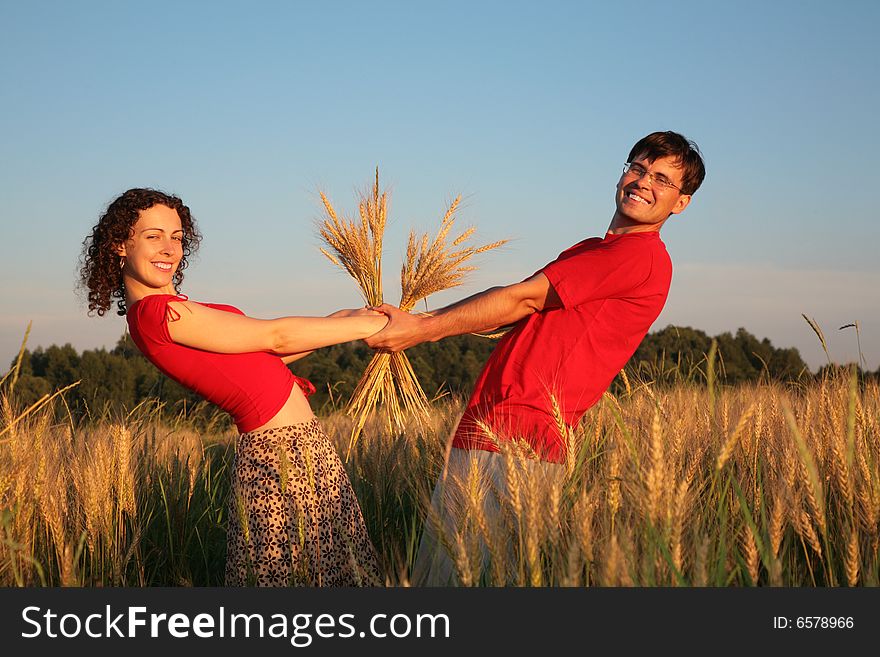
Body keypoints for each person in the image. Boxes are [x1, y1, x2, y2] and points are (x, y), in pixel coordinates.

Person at [365, 131, 706, 584]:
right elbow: (510, 309)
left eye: (662, 179)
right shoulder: (592, 250)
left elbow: (522, 299)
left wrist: (423, 330)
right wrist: (417, 318)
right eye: (639, 168)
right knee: (438, 576)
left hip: (521, 436)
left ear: (680, 203)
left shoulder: (638, 256)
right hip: (491, 422)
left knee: (455, 583)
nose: (643, 182)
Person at [79, 188, 388, 587]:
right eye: (153, 236)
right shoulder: (159, 314)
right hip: (280, 457)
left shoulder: (172, 310)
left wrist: (344, 319)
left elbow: (264, 358)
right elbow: (275, 337)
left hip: (302, 447)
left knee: (330, 574)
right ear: (121, 244)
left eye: (176, 237)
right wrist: (368, 326)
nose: (169, 248)